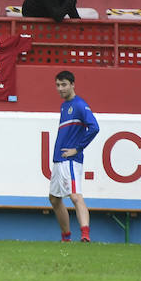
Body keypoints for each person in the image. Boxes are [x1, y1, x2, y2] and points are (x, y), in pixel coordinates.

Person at [49, 70, 100, 242]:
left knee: (75, 196)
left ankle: (85, 234)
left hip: (70, 160)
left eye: (64, 84)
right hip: (59, 159)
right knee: (55, 199)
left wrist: (77, 149)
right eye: (57, 85)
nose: (60, 88)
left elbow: (94, 127)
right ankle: (66, 237)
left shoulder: (79, 105)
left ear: (72, 85)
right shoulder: (65, 105)